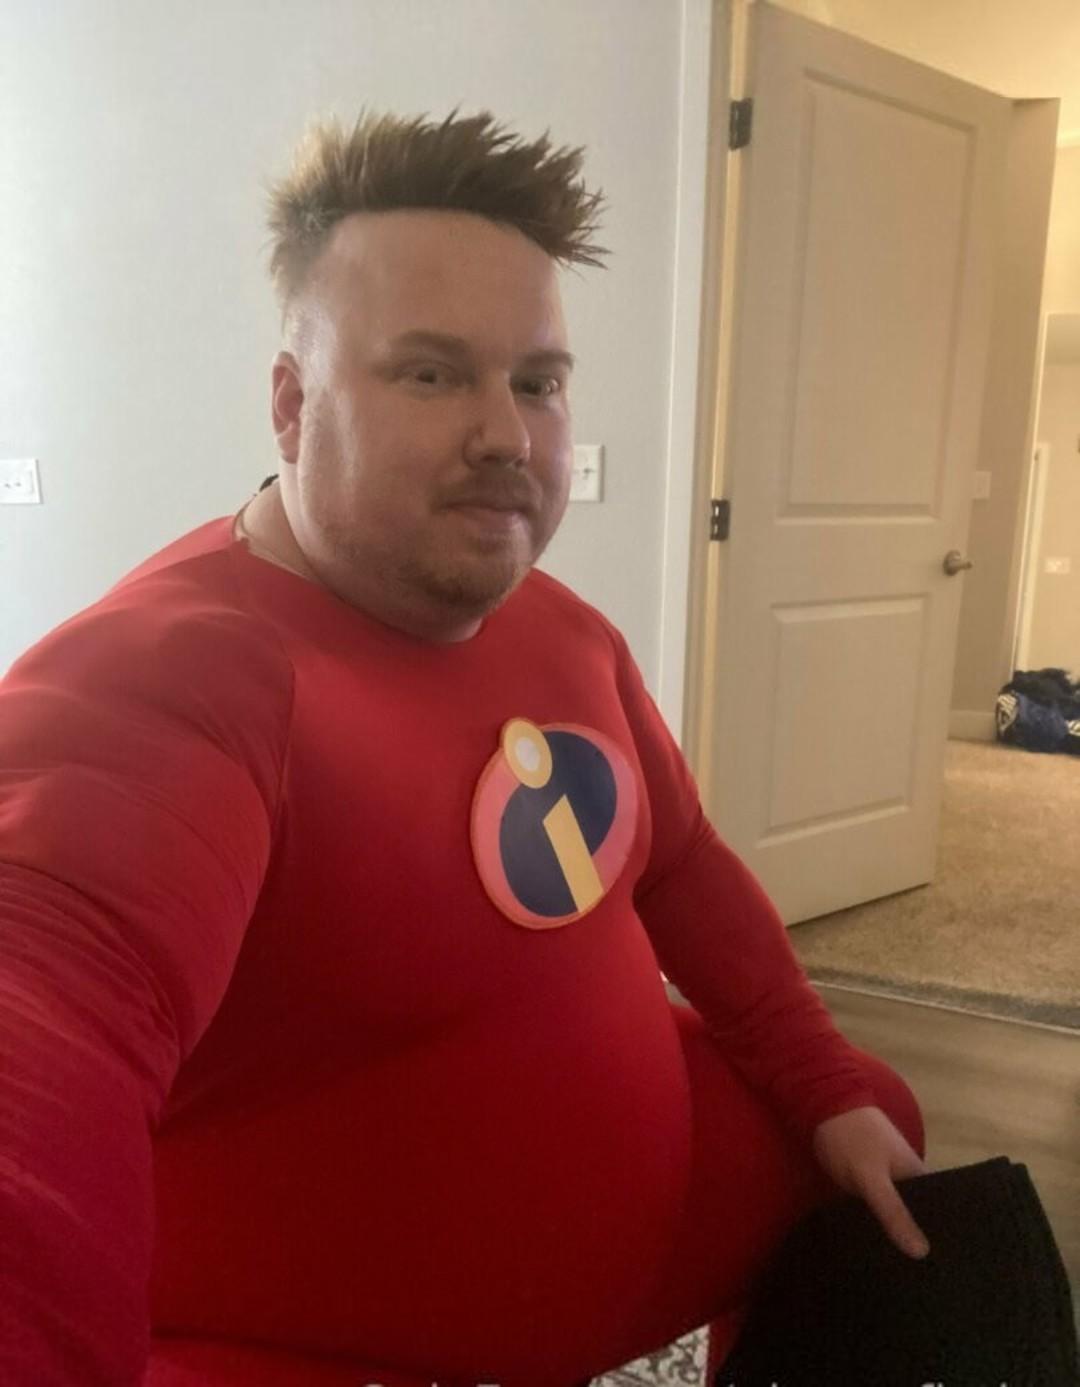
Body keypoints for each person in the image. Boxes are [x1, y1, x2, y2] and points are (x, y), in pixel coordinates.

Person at [0, 108, 929, 1387]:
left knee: (879, 1127)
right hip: (307, 1339)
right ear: (292, 404)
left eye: (536, 382)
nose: (507, 434)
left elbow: (684, 869)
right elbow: (39, 1011)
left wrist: (824, 1085)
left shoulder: (567, 631)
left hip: (645, 1227)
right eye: (432, 375)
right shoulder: (169, 678)